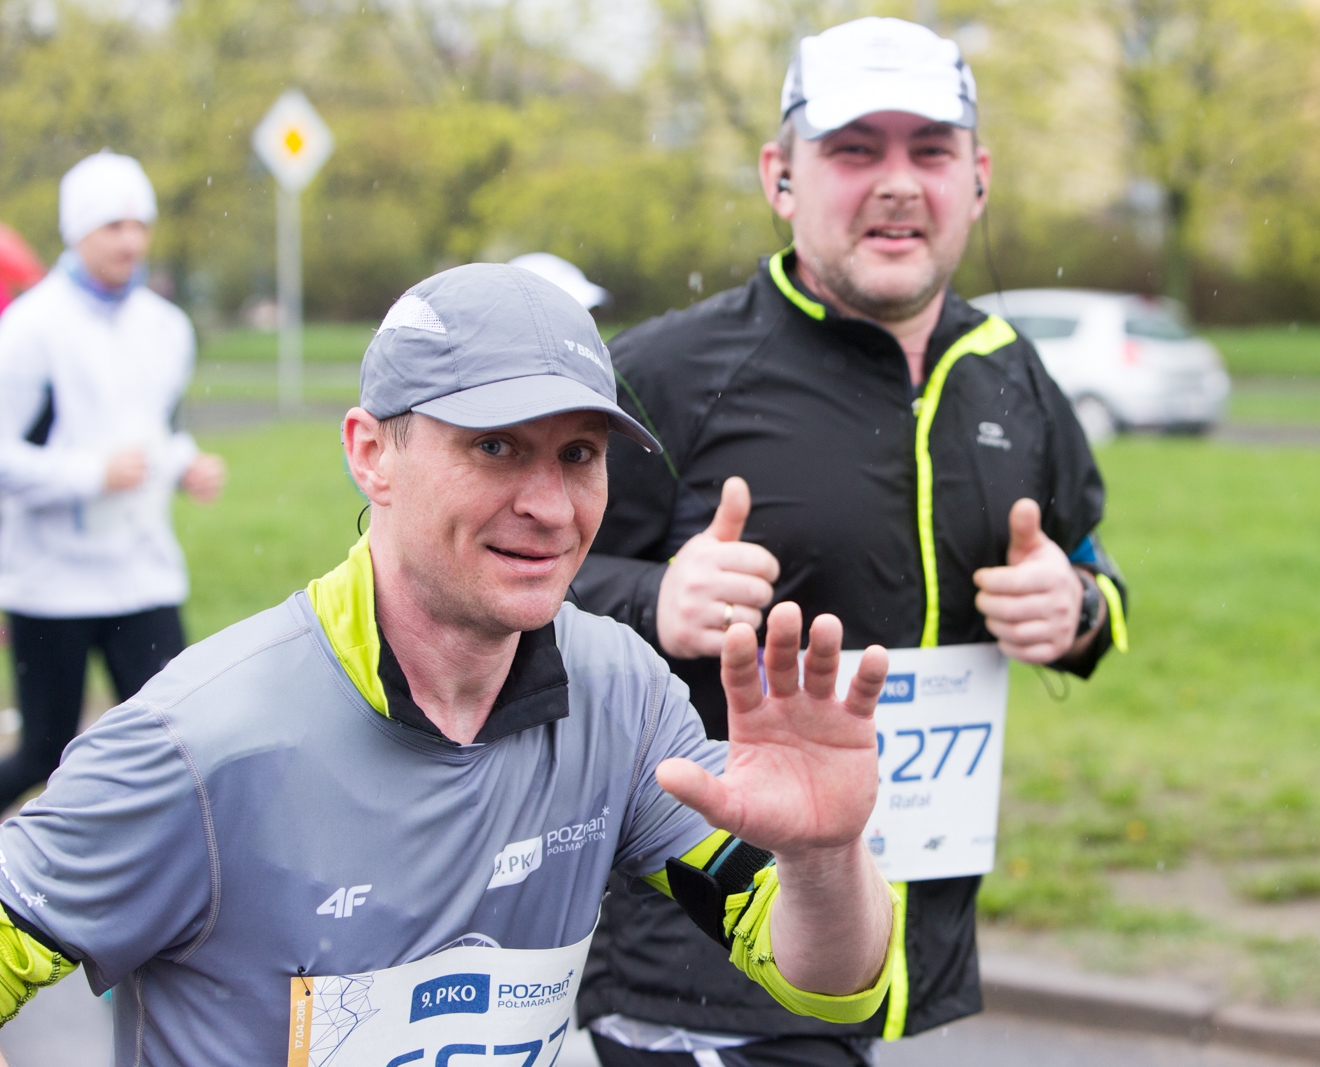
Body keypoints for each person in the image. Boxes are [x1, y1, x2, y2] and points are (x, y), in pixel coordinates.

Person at [0, 263, 900, 1065]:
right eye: (495, 446)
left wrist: (823, 855)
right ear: (370, 453)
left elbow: (827, 981)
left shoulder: (619, 693)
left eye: (579, 454)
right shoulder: (201, 743)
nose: (551, 506)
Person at [571, 17, 1129, 1066]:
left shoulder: (1012, 373)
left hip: (906, 943)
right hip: (708, 962)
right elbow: (494, 593)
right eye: (855, 149)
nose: (898, 182)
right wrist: (655, 601)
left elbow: (1095, 571)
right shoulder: (665, 374)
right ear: (780, 177)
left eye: (931, 150)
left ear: (978, 179)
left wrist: (1078, 609)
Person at [0, 150, 226, 810]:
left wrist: (186, 465)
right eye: (113, 226)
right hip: (51, 583)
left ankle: (157, 863)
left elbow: (158, 432)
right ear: (77, 231)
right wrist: (90, 475)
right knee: (46, 751)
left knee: (178, 742)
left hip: (142, 574)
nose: (131, 241)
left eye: (141, 225)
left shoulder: (167, 327)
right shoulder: (28, 330)